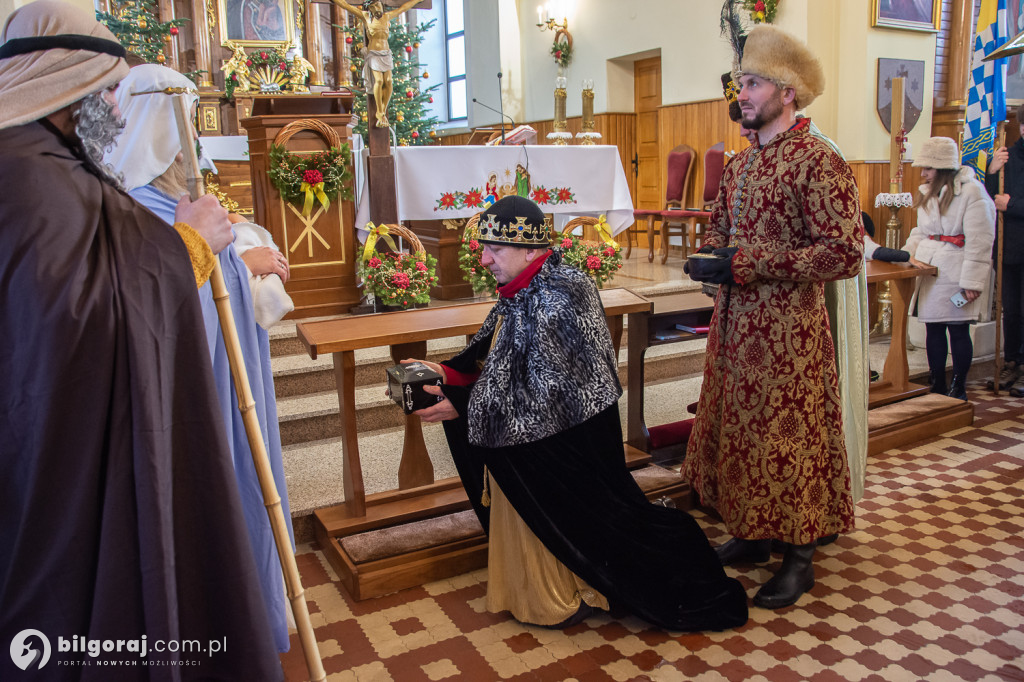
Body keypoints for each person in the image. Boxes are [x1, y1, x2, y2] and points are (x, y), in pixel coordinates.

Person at [0, 2, 282, 678]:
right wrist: (192, 245)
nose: (116, 113)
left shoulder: (45, 164)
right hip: (61, 468)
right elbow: (79, 327)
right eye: (106, 93)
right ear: (69, 85)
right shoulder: (32, 178)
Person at [404, 195, 748, 631]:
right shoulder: (524, 284)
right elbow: (501, 356)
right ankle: (531, 586)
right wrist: (448, 374)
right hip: (540, 429)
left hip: (572, 438)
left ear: (530, 249)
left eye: (495, 248)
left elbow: (545, 391)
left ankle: (571, 588)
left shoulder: (561, 293)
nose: (484, 258)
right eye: (484, 247)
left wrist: (465, 403)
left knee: (599, 525)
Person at [104, 63, 295, 653]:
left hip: (232, 379)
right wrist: (242, 264)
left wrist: (241, 253)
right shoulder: (132, 209)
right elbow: (159, 301)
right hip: (195, 392)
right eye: (185, 121)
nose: (196, 137)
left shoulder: (175, 200)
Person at [684, 25, 864, 610]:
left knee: (792, 434)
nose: (744, 95)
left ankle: (800, 556)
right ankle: (752, 533)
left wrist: (752, 262)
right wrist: (713, 260)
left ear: (787, 92)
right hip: (737, 327)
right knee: (742, 429)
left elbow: (844, 250)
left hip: (791, 332)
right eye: (741, 83)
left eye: (754, 84)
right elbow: (720, 228)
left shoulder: (818, 160)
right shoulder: (739, 166)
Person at [904, 137, 996, 400]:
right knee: (933, 328)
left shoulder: (972, 192)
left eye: (928, 168)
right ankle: (937, 383)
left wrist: (973, 282)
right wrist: (905, 255)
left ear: (943, 167)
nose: (923, 174)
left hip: (958, 273)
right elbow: (921, 232)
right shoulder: (928, 192)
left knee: (957, 329)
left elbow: (980, 240)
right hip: (932, 272)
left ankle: (959, 385)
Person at [329, 0, 424, 127]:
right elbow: (346, 5)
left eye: (377, 5)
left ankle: (382, 112)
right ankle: (379, 112)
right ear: (370, 8)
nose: (376, 8)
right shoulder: (365, 17)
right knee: (378, 81)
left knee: (389, 81)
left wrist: (417, 0)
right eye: (373, 6)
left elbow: (403, 8)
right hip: (373, 53)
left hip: (386, 53)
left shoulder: (387, 17)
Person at [985, 105, 1024, 392]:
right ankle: (1011, 362)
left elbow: (1006, 202)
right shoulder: (1008, 156)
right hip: (1009, 246)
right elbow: (991, 198)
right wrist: (991, 172)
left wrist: (1012, 205)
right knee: (1010, 310)